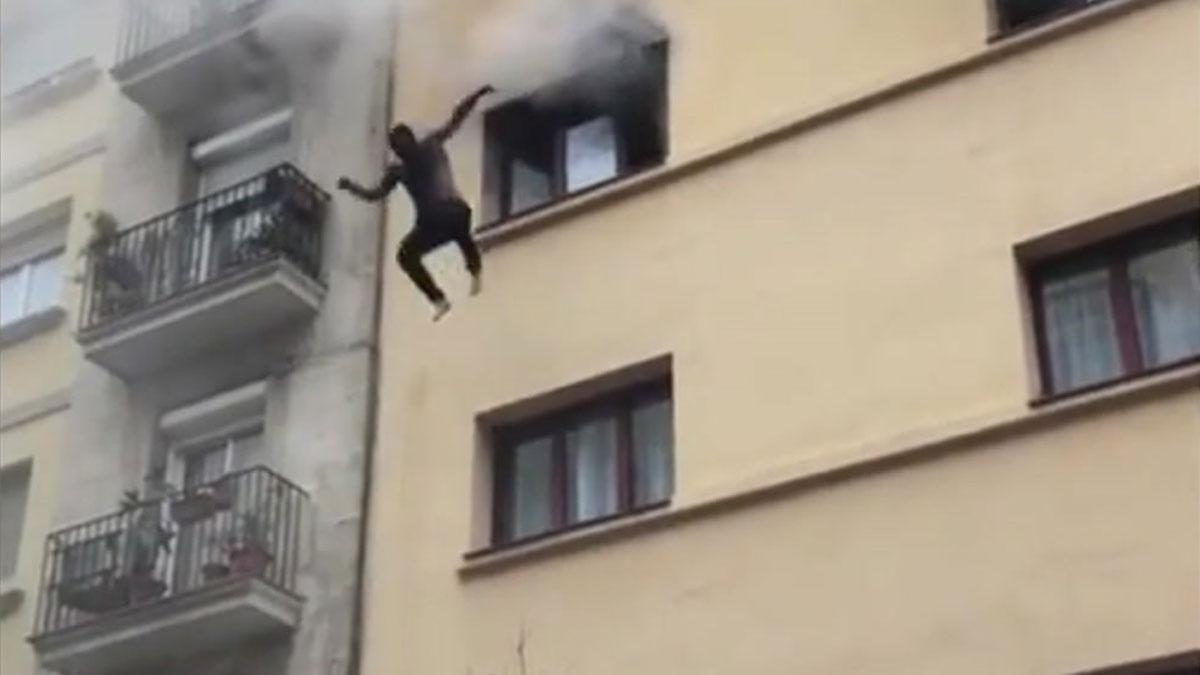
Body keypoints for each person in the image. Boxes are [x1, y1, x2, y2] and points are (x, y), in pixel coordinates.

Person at [338, 85, 495, 321]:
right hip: (433, 221)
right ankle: (439, 298)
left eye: (402, 145)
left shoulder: (430, 146)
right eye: (397, 149)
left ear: (411, 139)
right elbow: (375, 195)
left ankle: (473, 270)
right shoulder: (399, 170)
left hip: (451, 211)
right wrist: (351, 187)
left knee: (456, 224)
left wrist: (477, 95)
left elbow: (456, 118)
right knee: (405, 255)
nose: (402, 152)